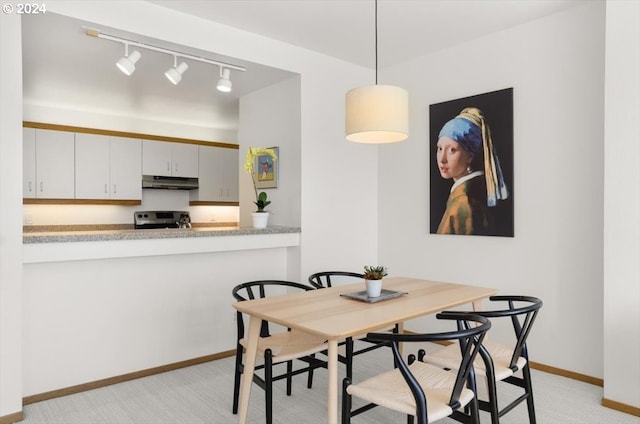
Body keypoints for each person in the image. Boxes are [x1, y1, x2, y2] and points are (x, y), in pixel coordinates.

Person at [435, 107, 508, 235]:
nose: (442, 159)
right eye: (440, 149)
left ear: (470, 156)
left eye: (452, 150)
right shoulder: (464, 196)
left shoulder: (465, 203)